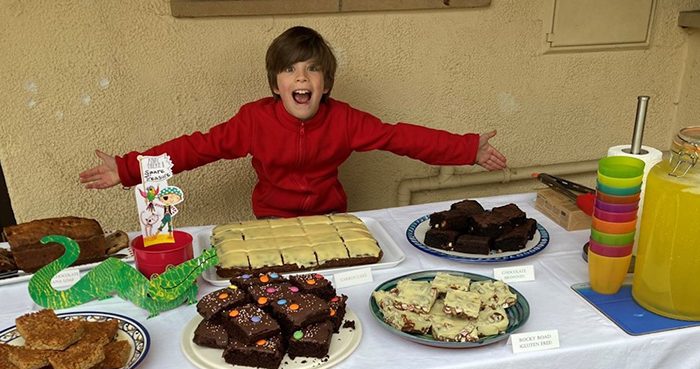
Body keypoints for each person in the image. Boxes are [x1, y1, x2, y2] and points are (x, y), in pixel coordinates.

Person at [79, 26, 507, 218]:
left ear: (326, 83)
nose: (301, 77)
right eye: (290, 70)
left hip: (332, 219)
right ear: (276, 84)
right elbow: (196, 147)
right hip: (271, 221)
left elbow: (402, 137)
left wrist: (467, 148)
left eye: (311, 69)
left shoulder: (345, 120)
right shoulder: (253, 120)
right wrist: (127, 167)